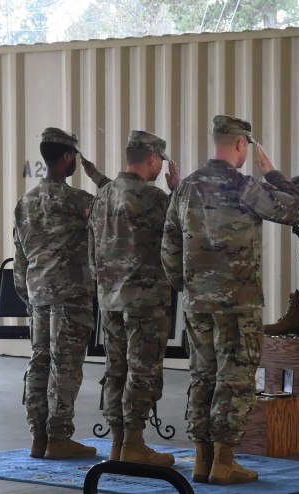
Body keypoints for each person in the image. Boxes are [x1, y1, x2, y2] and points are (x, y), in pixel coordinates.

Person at [161, 115, 299, 485]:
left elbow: (169, 243)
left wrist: (185, 285)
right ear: (241, 145)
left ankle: (201, 459)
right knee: (236, 378)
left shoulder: (187, 187)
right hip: (238, 304)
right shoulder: (245, 187)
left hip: (196, 303)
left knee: (203, 376)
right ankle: (224, 461)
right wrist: (273, 174)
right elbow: (295, 210)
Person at [87, 130, 179, 466]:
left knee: (116, 370)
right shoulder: (153, 198)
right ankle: (135, 443)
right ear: (153, 158)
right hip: (145, 300)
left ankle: (117, 443)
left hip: (109, 298)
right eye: (160, 161)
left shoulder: (104, 195)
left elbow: (91, 249)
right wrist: (176, 190)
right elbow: (181, 231)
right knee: (143, 370)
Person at [13, 127, 97, 460]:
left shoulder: (26, 201)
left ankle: (38, 437)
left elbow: (20, 255)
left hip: (38, 296)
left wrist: (28, 295)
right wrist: (99, 176)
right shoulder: (79, 201)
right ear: (66, 158)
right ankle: (59, 437)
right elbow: (118, 207)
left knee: (39, 363)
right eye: (75, 156)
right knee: (65, 367)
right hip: (70, 296)